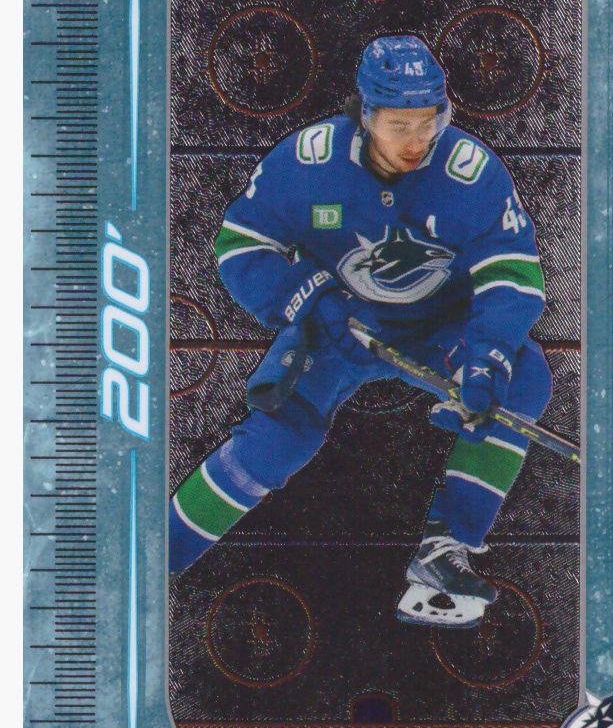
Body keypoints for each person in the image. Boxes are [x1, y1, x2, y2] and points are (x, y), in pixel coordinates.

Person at [169, 35, 552, 628]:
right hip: (338, 326)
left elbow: (513, 272)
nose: (416, 140)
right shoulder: (309, 160)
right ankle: (156, 558)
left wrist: (489, 354)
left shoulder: (471, 171)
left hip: (438, 327)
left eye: (429, 121)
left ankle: (445, 548)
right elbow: (241, 246)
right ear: (366, 115)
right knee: (277, 441)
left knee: (520, 379)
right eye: (399, 125)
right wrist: (302, 295)